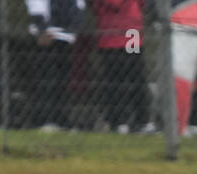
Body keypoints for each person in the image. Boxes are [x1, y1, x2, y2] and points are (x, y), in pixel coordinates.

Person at [24, 0, 84, 131]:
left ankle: (60, 118)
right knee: (45, 78)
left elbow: (79, 6)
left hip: (65, 37)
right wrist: (42, 29)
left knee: (63, 80)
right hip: (46, 35)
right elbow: (36, 4)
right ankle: (44, 119)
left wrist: (74, 27)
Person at [92, 0, 152, 133]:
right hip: (111, 34)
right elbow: (114, 3)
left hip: (132, 30)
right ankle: (119, 120)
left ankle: (142, 120)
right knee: (116, 76)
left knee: (137, 74)